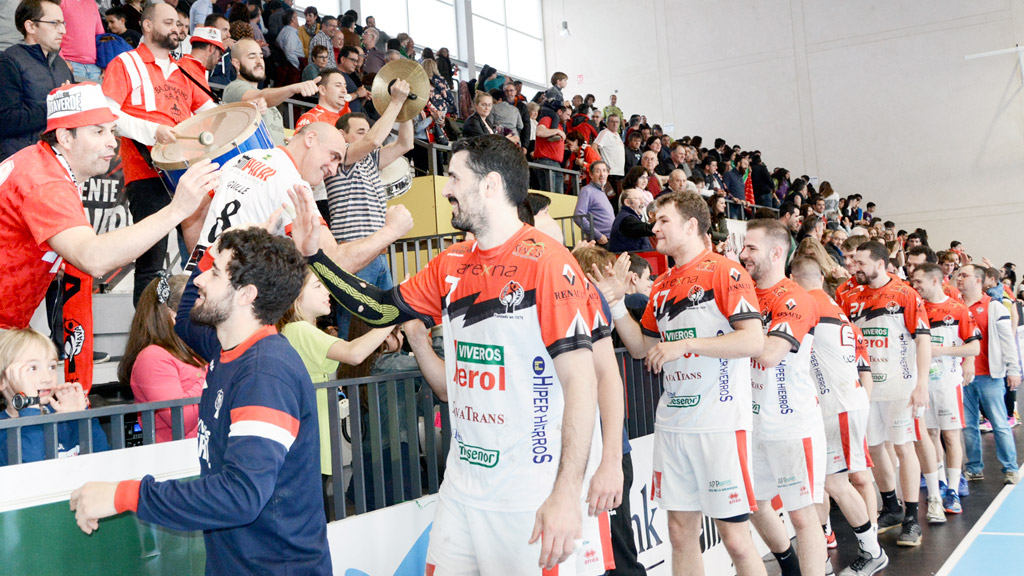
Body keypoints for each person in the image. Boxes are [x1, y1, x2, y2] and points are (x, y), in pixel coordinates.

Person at [292, 135, 606, 574]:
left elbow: (582, 381)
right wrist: (315, 257)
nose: (446, 189)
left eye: (455, 177)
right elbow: (381, 307)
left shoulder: (550, 263)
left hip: (527, 493)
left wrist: (566, 493)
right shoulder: (450, 262)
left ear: (491, 185)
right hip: (461, 486)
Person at [70, 228, 332, 575]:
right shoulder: (228, 350)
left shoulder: (265, 374)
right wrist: (216, 221)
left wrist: (126, 495)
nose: (200, 281)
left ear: (246, 295)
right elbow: (186, 321)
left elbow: (240, 496)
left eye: (215, 273)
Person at [590, 191, 767, 576]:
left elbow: (754, 341)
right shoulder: (665, 284)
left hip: (719, 424)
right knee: (679, 531)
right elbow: (641, 349)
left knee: (735, 538)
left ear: (691, 225)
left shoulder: (726, 271)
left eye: (663, 221)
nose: (653, 229)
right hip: (673, 425)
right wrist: (618, 304)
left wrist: (685, 344)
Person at [0, 82, 217, 330]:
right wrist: (176, 210)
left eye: (112, 131)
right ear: (64, 137)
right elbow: (93, 259)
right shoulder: (46, 183)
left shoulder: (40, 162)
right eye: (98, 132)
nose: (112, 142)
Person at [102, 2, 218, 304]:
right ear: (148, 26)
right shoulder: (125, 63)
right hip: (146, 174)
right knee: (151, 265)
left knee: (205, 260)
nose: (177, 29)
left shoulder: (185, 71)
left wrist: (242, 113)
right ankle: (146, 342)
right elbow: (109, 115)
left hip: (189, 173)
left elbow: (213, 116)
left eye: (179, 24)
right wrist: (152, 131)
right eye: (168, 22)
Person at [737, 220, 827, 576]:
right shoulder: (745, 294)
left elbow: (770, 353)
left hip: (791, 423)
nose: (743, 254)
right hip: (751, 422)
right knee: (755, 503)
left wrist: (735, 339)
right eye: (743, 247)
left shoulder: (795, 297)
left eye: (751, 248)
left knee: (802, 515)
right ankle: (789, 566)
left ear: (777, 253)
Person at [790, 257, 888, 576]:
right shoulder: (832, 305)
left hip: (839, 405)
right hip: (840, 402)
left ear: (793, 278)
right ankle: (822, 555)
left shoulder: (807, 304)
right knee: (822, 483)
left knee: (838, 483)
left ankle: (872, 552)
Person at [842, 241, 931, 546]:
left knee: (904, 447)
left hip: (899, 386)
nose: (855, 268)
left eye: (861, 263)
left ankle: (911, 517)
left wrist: (922, 384)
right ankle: (890, 507)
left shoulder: (906, 293)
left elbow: (923, 340)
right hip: (865, 388)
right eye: (853, 262)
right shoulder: (847, 294)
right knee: (876, 447)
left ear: (880, 264)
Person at [277, 270, 391, 485]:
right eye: (317, 286)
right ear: (295, 295)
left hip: (311, 435)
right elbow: (354, 353)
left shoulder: (300, 330)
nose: (326, 291)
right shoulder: (300, 329)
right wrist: (392, 320)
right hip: (309, 437)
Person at [323, 84, 414, 337]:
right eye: (360, 131)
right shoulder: (340, 157)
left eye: (367, 129)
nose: (368, 135)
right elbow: (374, 139)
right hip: (355, 253)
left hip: (378, 253)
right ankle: (350, 375)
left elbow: (405, 143)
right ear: (342, 135)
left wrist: (407, 108)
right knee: (353, 327)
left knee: (387, 325)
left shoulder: (370, 160)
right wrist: (395, 101)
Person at [909, 263, 980, 514]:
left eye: (919, 281)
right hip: (923, 384)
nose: (915, 286)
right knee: (929, 435)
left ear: (935, 281)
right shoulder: (916, 309)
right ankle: (938, 483)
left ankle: (953, 489)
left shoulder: (957, 310)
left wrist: (941, 351)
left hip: (949, 383)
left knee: (950, 436)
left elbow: (974, 348)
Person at [0, 328, 109, 466]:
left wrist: (80, 417)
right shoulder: (3, 429)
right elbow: (30, 471)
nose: (47, 378)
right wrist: (29, 405)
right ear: (2, 380)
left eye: (51, 367)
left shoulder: (62, 419)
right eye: (33, 368)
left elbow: (103, 461)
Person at [119, 274, 207, 443]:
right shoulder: (153, 357)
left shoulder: (196, 349)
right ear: (171, 314)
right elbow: (179, 419)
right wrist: (210, 375)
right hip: (175, 459)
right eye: (200, 303)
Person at [956, 264, 1021, 484]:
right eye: (958, 275)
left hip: (989, 376)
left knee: (1000, 423)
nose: (959, 279)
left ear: (978, 280)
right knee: (969, 425)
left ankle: (1010, 468)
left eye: (964, 275)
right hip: (962, 377)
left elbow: (1007, 342)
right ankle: (974, 467)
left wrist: (1013, 369)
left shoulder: (994, 307)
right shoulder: (954, 307)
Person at [0, 0, 74, 162]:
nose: (63, 30)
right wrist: (56, 105)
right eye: (55, 23)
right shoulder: (9, 62)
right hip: (20, 163)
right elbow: (6, 121)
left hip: (56, 161)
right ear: (31, 27)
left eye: (63, 23)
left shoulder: (62, 67)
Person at [222, 38, 319, 145]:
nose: (259, 61)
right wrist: (293, 88)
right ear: (236, 63)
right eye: (252, 57)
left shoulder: (271, 103)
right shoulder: (234, 88)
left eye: (261, 56)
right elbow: (260, 96)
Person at [59, 0, 103, 81]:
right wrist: (61, 60)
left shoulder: (92, 3)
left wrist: (104, 64)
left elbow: (100, 36)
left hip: (95, 66)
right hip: (70, 63)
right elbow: (52, 32)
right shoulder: (61, 2)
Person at [574, 161, 615, 245]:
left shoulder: (602, 191)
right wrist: (597, 235)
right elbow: (578, 217)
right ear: (591, 175)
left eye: (604, 171)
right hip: (600, 241)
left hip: (611, 238)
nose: (602, 174)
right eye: (597, 171)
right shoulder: (587, 190)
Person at [608, 187, 653, 254]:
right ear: (627, 202)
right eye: (638, 199)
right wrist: (664, 222)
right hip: (631, 261)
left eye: (643, 198)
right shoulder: (627, 219)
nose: (642, 202)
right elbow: (647, 229)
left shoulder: (627, 216)